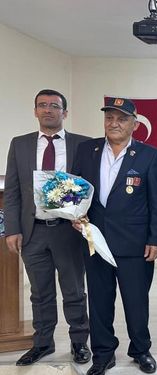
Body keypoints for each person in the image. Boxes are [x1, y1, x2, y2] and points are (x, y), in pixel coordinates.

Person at [71, 97, 157, 375]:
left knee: (136, 301)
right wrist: (74, 215)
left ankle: (140, 350)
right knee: (99, 301)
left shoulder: (149, 155)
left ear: (135, 125)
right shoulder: (87, 149)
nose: (114, 123)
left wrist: (156, 239)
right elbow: (74, 191)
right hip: (94, 240)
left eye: (122, 119)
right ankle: (103, 354)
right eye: (109, 118)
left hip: (135, 243)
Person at [4, 89, 91, 366]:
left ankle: (79, 342)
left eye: (54, 106)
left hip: (68, 231)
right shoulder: (20, 144)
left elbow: (91, 189)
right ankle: (43, 343)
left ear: (65, 112)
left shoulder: (83, 144)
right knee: (40, 292)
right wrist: (12, 229)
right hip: (33, 232)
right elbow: (14, 192)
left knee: (74, 291)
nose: (48, 110)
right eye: (42, 105)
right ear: (35, 111)